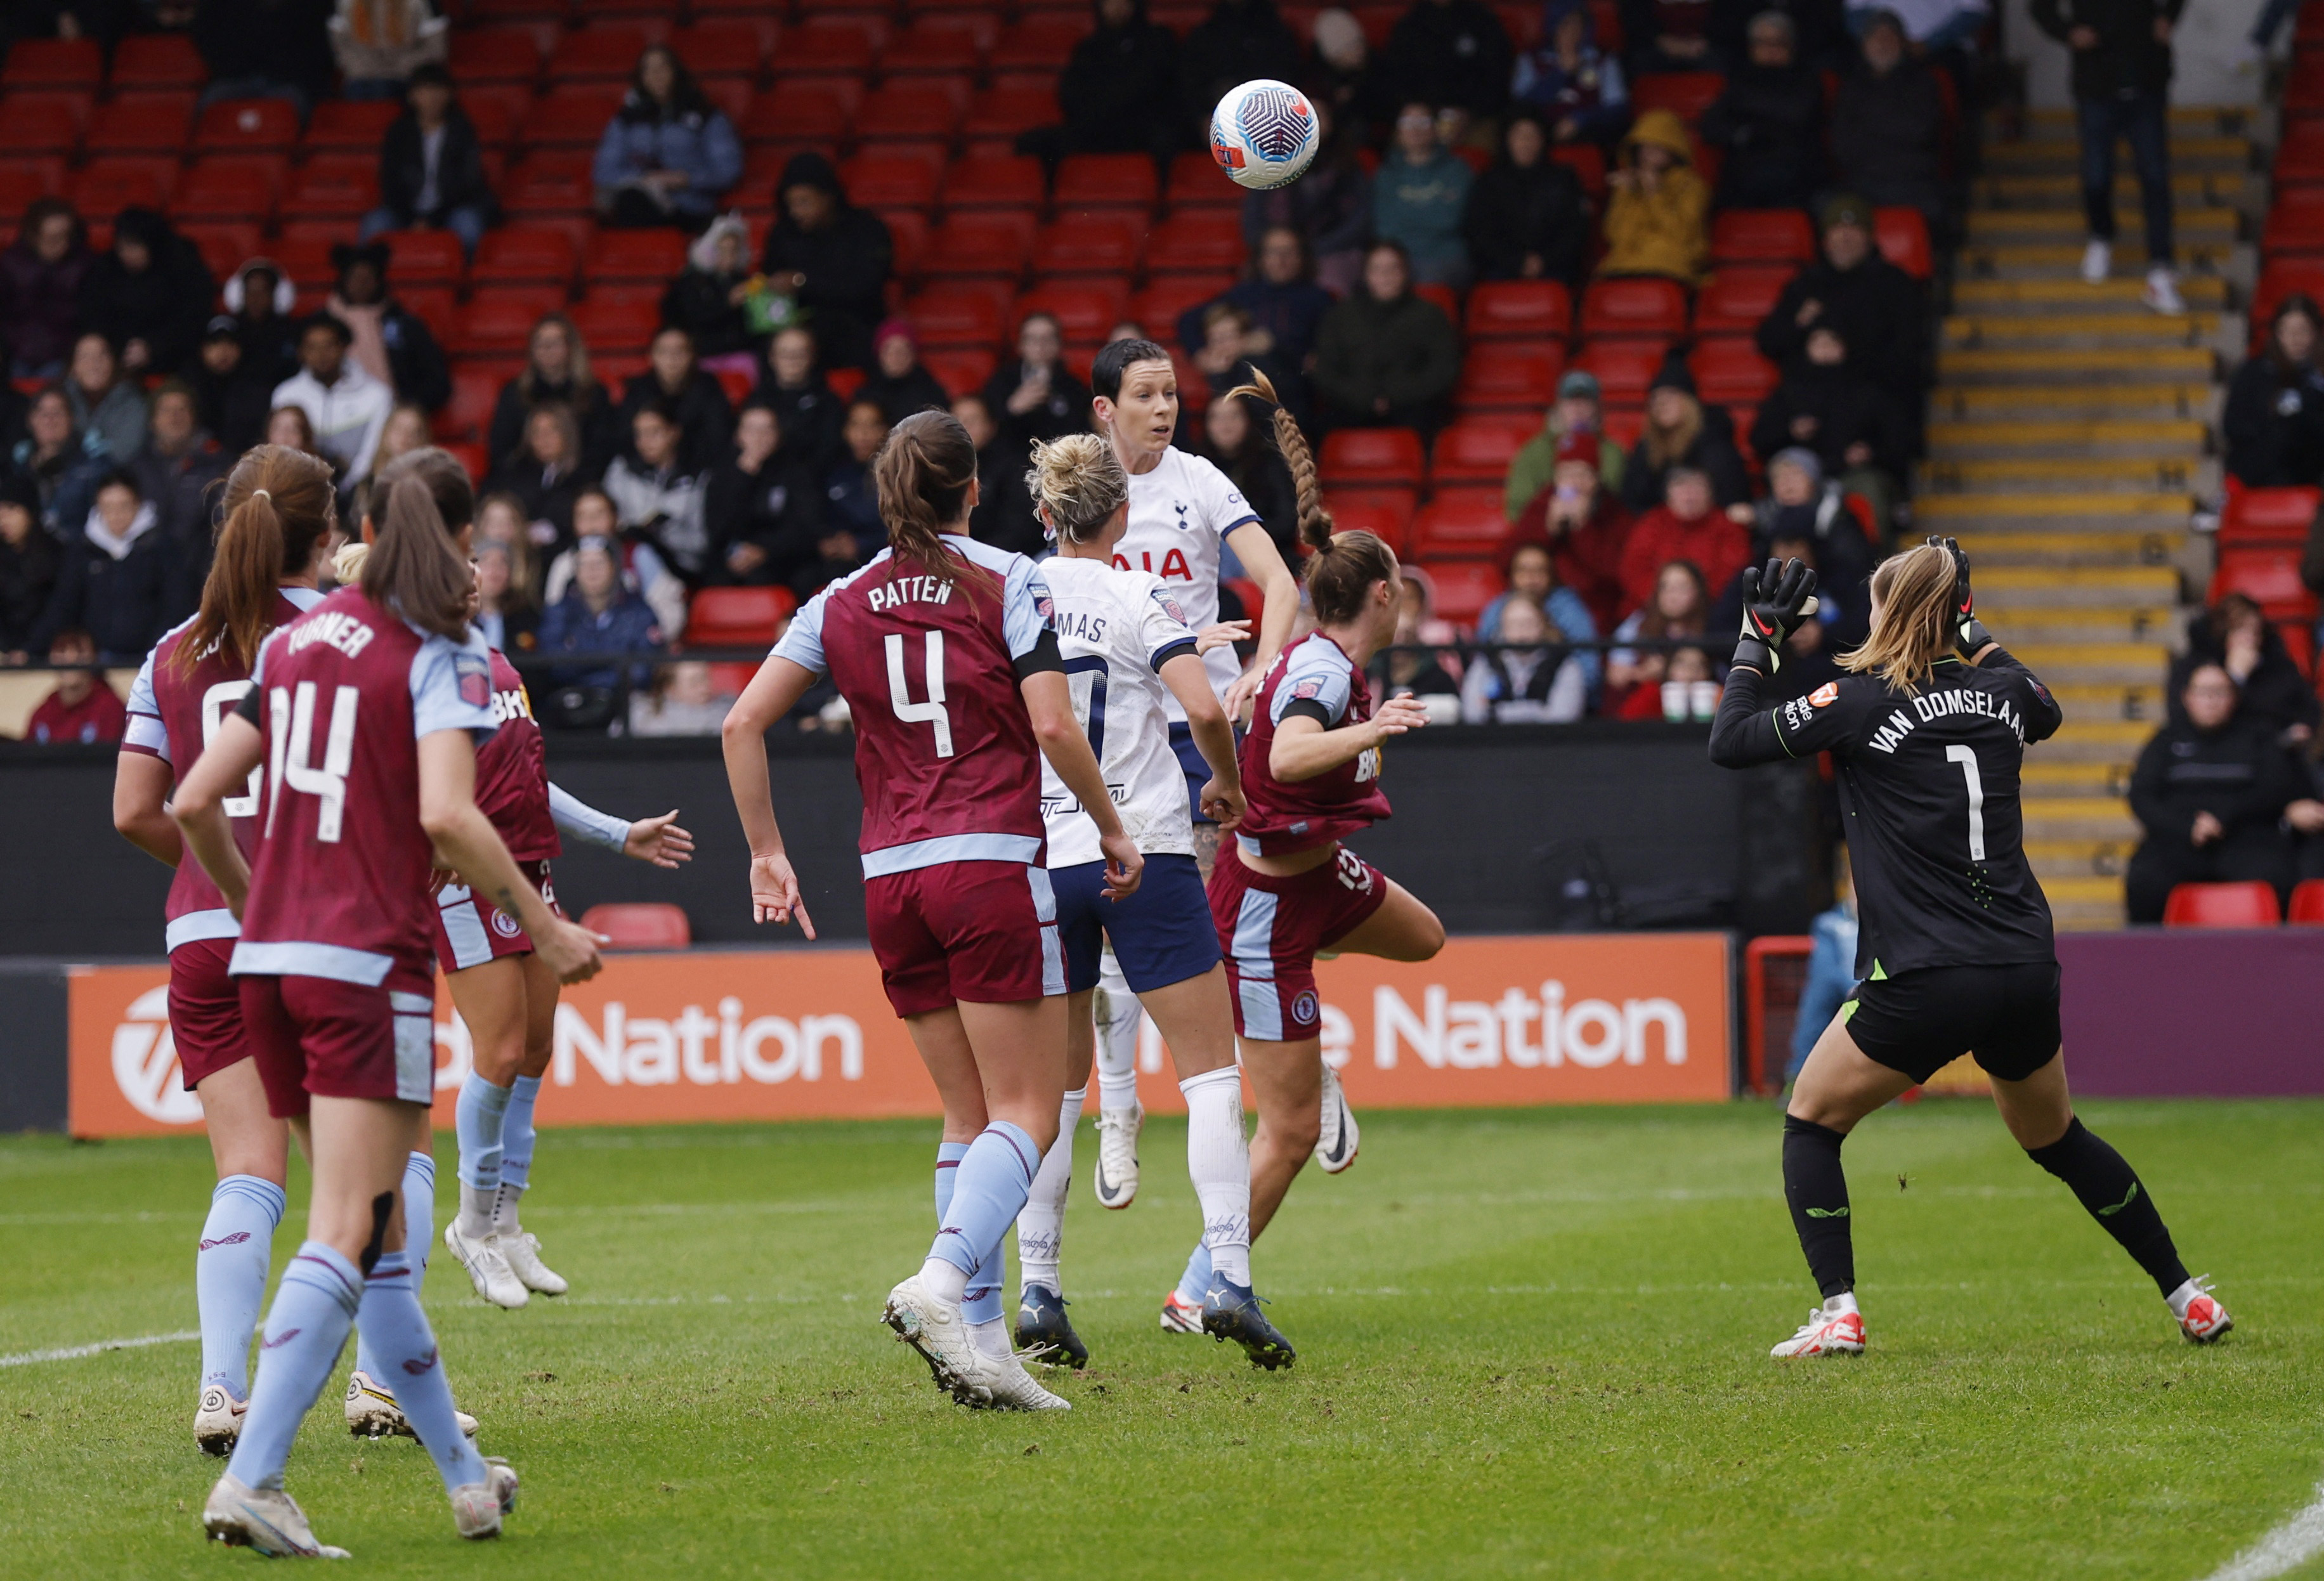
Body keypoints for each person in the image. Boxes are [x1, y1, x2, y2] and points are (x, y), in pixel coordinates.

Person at [171, 455, 604, 1556]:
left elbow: (189, 798)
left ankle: (464, 1475)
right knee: (350, 1225)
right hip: (362, 962)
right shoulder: (439, 656)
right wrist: (543, 924)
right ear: (459, 540)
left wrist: (246, 891)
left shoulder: (295, 643)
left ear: (361, 529)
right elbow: (451, 815)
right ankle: (256, 1476)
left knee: (378, 1233)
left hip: (265, 960)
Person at [1709, 540, 2233, 1358]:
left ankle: (1839, 1310)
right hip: (2022, 967)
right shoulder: (2004, 692)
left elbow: (1730, 739)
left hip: (1925, 971)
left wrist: (1757, 640)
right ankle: (2185, 1296)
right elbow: (2046, 705)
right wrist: (1974, 627)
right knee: (2057, 1139)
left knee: (1810, 1123)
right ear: (1952, 615)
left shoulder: (1857, 700)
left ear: (1885, 613)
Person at [720, 408, 1144, 1412]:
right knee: (1031, 1116)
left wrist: (768, 853)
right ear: (973, 490)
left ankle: (984, 1348)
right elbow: (1049, 720)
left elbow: (741, 722)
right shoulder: (1011, 578)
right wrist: (1111, 824)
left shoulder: (837, 599)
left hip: (891, 879)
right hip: (989, 864)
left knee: (969, 1116)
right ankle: (942, 1282)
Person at [354, 457, 691, 1320]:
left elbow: (528, 783)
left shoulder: (498, 666)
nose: (475, 576)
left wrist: (619, 834)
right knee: (498, 1051)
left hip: (531, 871)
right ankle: (471, 1223)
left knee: (536, 1051)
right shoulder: (423, 665)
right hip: (469, 880)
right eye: (463, 567)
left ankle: (505, 1221)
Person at [1005, 431, 1294, 1371]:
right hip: (1146, 847)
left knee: (1047, 1092)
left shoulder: (1015, 592)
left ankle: (1040, 1292)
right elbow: (1206, 708)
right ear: (1122, 514)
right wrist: (1228, 785)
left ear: (1047, 514)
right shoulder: (1139, 593)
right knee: (1210, 1075)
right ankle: (1229, 1279)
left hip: (1046, 853)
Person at [1186, 414, 1447, 1325]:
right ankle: (1200, 1285)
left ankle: (1307, 1036)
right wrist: (1373, 730)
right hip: (1264, 906)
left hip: (1314, 875)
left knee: (1424, 939)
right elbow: (1296, 755)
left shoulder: (1313, 655)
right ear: (1384, 594)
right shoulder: (1327, 679)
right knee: (1291, 1132)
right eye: (1401, 588)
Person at [112, 445, 334, 1455]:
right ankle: (386, 1384)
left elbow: (132, 811)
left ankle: (218, 1385)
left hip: (203, 931)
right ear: (322, 533)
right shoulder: (342, 636)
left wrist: (217, 866)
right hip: (322, 932)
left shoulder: (171, 651)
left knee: (247, 1171)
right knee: (366, 1179)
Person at [1078, 349, 1303, 1203]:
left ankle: (1304, 1084)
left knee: (1228, 919)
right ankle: (1121, 1110)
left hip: (1197, 729)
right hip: (1113, 736)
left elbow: (1278, 581)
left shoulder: (1200, 481)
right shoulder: (1079, 489)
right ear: (1107, 407)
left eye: (1171, 393)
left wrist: (1263, 668)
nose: (1165, 407)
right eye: (1146, 395)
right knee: (1111, 927)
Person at [2031, 0, 2184, 315]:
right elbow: (2040, 8)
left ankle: (2161, 268)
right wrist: (2068, 32)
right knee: (2097, 176)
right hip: (2097, 84)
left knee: (2156, 178)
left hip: (2146, 81)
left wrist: (2169, 16)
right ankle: (2101, 235)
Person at [2125, 661, 2303, 920]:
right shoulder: (2165, 741)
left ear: (2234, 698)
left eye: (2219, 692)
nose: (2211, 700)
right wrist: (2188, 826)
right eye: (2203, 692)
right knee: (2144, 881)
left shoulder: (2257, 737)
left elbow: (2275, 788)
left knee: (2281, 878)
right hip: (2179, 843)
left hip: (2246, 840)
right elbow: (2142, 796)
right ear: (2187, 697)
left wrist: (2223, 817)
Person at [1758, 195, 1929, 416]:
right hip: (1810, 411)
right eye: (1837, 229)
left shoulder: (1895, 284)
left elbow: (1908, 353)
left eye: (1854, 228)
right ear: (1825, 239)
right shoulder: (1807, 284)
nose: (1845, 237)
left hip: (1873, 411)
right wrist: (1798, 325)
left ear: (1869, 237)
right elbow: (1768, 341)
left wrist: (1848, 352)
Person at [1751, 322, 1909, 530]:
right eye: (1818, 343)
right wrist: (1791, 432)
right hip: (1803, 472)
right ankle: (1780, 554)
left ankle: (1879, 559)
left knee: (1869, 487)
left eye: (1832, 342)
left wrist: (1870, 453)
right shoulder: (1789, 392)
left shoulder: (1867, 392)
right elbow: (1759, 440)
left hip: (1852, 473)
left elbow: (1897, 441)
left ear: (1844, 348)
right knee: (1788, 480)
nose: (1825, 349)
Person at [757, 152, 894, 372]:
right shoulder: (783, 234)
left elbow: (866, 286)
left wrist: (803, 282)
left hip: (856, 325)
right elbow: (770, 280)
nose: (796, 212)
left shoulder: (867, 229)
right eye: (790, 204)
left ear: (828, 197)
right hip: (797, 330)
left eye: (804, 202)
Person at [1312, 242, 1461, 434]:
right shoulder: (1341, 316)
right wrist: (1364, 398)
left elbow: (1444, 369)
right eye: (1377, 269)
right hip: (1351, 408)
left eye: (1393, 268)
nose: (1385, 276)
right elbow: (1325, 369)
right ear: (1366, 275)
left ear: (1406, 272)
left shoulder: (1430, 315)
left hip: (1413, 408)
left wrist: (1395, 396)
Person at [591, 44, 743, 232]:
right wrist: (645, 180)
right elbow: (604, 172)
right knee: (629, 202)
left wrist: (685, 180)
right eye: (648, 69)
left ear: (676, 72)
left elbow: (727, 170)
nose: (656, 75)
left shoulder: (706, 114)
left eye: (662, 67)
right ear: (641, 77)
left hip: (692, 207)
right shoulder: (627, 119)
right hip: (641, 201)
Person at [32, 468, 176, 663]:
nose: (116, 515)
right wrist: (31, 650)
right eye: (107, 507)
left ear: (138, 505)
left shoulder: (162, 547)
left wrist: (155, 655)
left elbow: (174, 606)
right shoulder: (83, 550)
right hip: (94, 666)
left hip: (150, 662)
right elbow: (64, 606)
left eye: (124, 506)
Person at [1020, 0, 1182, 172]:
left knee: (1171, 141)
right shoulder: (1089, 48)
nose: (1117, 7)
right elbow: (1070, 93)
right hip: (1097, 128)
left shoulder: (1158, 40)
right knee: (1032, 142)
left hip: (1141, 129)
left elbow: (1157, 87)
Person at [1176, 227, 1336, 394]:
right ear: (1261, 258)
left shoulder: (1319, 299)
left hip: (1293, 383)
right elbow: (1188, 320)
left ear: (1301, 257)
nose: (1281, 259)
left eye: (1289, 251)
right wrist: (1201, 355)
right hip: (1241, 381)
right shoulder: (1245, 294)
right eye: (1273, 252)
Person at [362, 62, 497, 258]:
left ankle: (462, 282)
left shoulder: (462, 131)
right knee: (374, 225)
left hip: (450, 211)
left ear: (449, 95)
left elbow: (468, 184)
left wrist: (431, 221)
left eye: (438, 89)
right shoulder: (399, 132)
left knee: (469, 226)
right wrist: (412, 218)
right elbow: (389, 182)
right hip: (405, 211)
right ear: (412, 96)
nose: (432, 97)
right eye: (425, 90)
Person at [1831, 10, 1949, 232]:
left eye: (1889, 38)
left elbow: (1921, 132)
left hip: (1912, 180)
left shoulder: (1923, 83)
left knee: (1934, 211)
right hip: (1862, 181)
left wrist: (1870, 127)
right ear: (1864, 44)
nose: (1883, 44)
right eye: (1876, 38)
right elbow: (1843, 145)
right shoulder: (1851, 87)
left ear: (1902, 44)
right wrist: (1891, 126)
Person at [1243, 103, 1373, 297]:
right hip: (1279, 248)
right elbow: (1253, 221)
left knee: (1330, 286)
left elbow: (1359, 221)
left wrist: (1313, 250)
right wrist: (1274, 249)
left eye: (1318, 115)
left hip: (1332, 251)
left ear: (1331, 123)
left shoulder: (1349, 165)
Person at [1700, 11, 1824, 211]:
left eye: (1778, 43)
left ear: (1791, 47)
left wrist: (1749, 119)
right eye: (1763, 43)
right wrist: (1744, 134)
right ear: (1751, 48)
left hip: (1795, 174)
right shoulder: (1741, 79)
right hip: (1745, 175)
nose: (1771, 50)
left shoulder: (1807, 79)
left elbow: (1796, 114)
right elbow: (1711, 125)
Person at [1515, 426, 1634, 632]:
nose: (1574, 483)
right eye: (1567, 474)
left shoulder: (1614, 512)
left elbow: (1617, 573)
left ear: (1596, 478)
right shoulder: (1543, 504)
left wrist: (1583, 529)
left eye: (1582, 474)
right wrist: (1548, 529)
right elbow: (1506, 560)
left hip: (1596, 611)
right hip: (1541, 605)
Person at [77, 207, 214, 380]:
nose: (126, 254)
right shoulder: (105, 270)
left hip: (176, 358)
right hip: (118, 359)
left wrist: (153, 347)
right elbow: (94, 317)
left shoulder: (184, 268)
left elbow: (193, 319)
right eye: (121, 246)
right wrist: (119, 350)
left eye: (134, 246)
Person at [128, 381, 232, 603]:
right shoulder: (136, 468)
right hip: (146, 584)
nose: (175, 417)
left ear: (194, 417)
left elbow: (222, 529)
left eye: (182, 410)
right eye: (166, 410)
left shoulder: (216, 465)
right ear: (153, 420)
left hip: (199, 583)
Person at [2168, 593, 2320, 741]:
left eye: (2256, 632)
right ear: (2222, 633)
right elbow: (2187, 719)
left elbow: (2307, 706)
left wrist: (2300, 728)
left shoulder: (2278, 665)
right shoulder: (2193, 668)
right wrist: (2235, 678)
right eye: (2240, 631)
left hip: (2276, 751)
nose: (2250, 640)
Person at [271, 314, 396, 491]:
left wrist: (347, 490)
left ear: (344, 347)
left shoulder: (378, 395)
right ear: (301, 352)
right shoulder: (285, 395)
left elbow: (372, 455)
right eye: (312, 347)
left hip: (361, 493)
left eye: (329, 346)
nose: (321, 355)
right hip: (300, 492)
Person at [324, 242, 452, 416]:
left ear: (379, 281)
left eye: (368, 277)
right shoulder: (322, 324)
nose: (361, 284)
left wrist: (405, 406)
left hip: (393, 417)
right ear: (343, 280)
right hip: (333, 416)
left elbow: (437, 382)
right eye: (355, 277)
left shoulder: (406, 324)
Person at [707, 402, 823, 589]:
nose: (759, 437)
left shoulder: (796, 473)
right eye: (751, 430)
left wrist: (765, 550)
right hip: (732, 560)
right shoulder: (723, 475)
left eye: (767, 429)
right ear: (738, 436)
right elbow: (717, 530)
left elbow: (807, 528)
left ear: (778, 435)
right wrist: (743, 477)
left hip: (781, 560)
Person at [1747, 446, 1877, 612]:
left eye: (1795, 475)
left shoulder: (1839, 517)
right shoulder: (1764, 523)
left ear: (1814, 480)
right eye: (1779, 478)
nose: (1787, 485)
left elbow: (1858, 572)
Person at [1466, 114, 1589, 285]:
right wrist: (1516, 261)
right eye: (1519, 135)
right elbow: (1480, 231)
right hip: (1501, 267)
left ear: (1543, 140)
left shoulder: (1564, 178)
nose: (1526, 142)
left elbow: (1575, 229)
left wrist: (1544, 260)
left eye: (1532, 135)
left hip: (1556, 267)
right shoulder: (1489, 181)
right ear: (1507, 140)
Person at [603, 398, 712, 589]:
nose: (646, 442)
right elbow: (607, 522)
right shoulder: (622, 470)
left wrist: (664, 533)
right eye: (640, 434)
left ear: (674, 433)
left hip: (679, 569)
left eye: (655, 432)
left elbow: (703, 542)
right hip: (627, 565)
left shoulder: (698, 477)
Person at [488, 315, 617, 474]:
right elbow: (503, 450)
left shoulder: (594, 393)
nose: (547, 348)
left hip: (581, 481)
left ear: (571, 347)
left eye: (555, 342)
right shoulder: (514, 393)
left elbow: (602, 450)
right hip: (524, 481)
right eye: (540, 342)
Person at [537, 533, 667, 691]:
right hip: (570, 701)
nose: (591, 571)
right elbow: (554, 667)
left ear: (614, 567)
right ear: (575, 570)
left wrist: (590, 673)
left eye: (599, 563)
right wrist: (613, 666)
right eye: (583, 564)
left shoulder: (639, 610)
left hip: (626, 702)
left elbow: (644, 670)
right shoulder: (558, 612)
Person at [1620, 465, 1751, 620]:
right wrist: (1667, 602)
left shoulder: (1728, 528)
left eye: (1698, 487)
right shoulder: (1651, 524)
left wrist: (1692, 602)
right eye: (1681, 486)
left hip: (1710, 614)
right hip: (1650, 612)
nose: (1689, 495)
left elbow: (1734, 576)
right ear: (1668, 494)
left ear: (1711, 493)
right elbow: (1633, 571)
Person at [1621, 359, 1751, 513]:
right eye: (1655, 399)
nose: (1661, 404)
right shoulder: (1647, 447)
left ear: (1689, 402)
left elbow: (1733, 502)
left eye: (1671, 395)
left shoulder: (1715, 445)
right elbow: (1632, 499)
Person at [1597, 107, 1710, 284]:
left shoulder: (1692, 186)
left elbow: (1681, 235)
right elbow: (1616, 236)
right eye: (1644, 147)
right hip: (1625, 264)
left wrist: (1654, 193)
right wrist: (1625, 195)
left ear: (1674, 148)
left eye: (1658, 146)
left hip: (1670, 262)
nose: (1649, 154)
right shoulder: (1629, 184)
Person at [2225, 295, 2324, 490]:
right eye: (2288, 330)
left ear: (2316, 333)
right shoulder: (2252, 372)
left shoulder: (2319, 377)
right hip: (2261, 468)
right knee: (2282, 432)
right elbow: (2233, 426)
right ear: (2277, 333)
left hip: (2312, 468)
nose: (2296, 338)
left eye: (2303, 330)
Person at [1371, 104, 1475, 289]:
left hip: (1443, 255)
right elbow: (1385, 227)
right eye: (1408, 122)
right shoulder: (1385, 174)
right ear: (1398, 131)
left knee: (1428, 278)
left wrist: (1408, 218)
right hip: (1397, 256)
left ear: (1435, 129)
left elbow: (1450, 220)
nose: (1415, 129)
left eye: (1423, 122)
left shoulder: (1458, 170)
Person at [1480, 536, 1602, 693]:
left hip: (1561, 700)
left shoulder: (1569, 609)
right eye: (1523, 570)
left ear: (1551, 575)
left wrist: (1564, 695)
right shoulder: (1497, 608)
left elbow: (1588, 667)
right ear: (1512, 575)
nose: (1531, 578)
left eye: (1539, 570)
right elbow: (1484, 659)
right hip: (1505, 699)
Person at [1177, 0, 1304, 148]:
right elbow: (1189, 86)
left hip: (1270, 122)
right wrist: (1202, 118)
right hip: (1215, 121)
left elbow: (1289, 85)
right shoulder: (1205, 36)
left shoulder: (1278, 35)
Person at [1506, 370, 1625, 517]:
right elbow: (1517, 508)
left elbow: (1619, 506)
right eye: (1571, 401)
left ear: (1597, 408)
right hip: (1545, 535)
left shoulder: (1613, 454)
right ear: (1558, 406)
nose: (1577, 408)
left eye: (1585, 401)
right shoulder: (1534, 452)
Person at [617, 326, 734, 476]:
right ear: (651, 356)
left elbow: (718, 439)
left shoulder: (708, 388)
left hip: (697, 476)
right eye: (664, 351)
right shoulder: (638, 389)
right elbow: (624, 438)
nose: (672, 358)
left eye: (679, 351)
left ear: (692, 355)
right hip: (643, 476)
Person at [1511, 0, 1631, 145]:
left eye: (1578, 25)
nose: (1572, 31)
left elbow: (1617, 108)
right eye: (1565, 25)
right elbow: (1521, 106)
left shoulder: (1604, 60)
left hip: (1590, 132)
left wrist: (1580, 119)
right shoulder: (1530, 59)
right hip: (1542, 132)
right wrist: (1561, 73)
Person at [192, 0, 334, 120]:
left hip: (291, 82)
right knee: (210, 105)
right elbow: (207, 36)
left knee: (295, 105)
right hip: (234, 78)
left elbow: (321, 46)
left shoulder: (312, 5)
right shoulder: (222, 6)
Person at [661, 213, 772, 368]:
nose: (729, 256)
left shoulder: (745, 281)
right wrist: (728, 303)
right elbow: (690, 318)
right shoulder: (690, 282)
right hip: (702, 354)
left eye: (733, 250)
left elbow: (756, 326)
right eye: (722, 250)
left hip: (740, 353)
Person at [1201, 390, 1300, 558]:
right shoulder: (1196, 467)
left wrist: (1241, 537)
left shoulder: (1271, 463)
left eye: (1234, 416)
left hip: (1269, 554)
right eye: (1216, 417)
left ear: (1248, 420)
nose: (1226, 424)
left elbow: (1287, 521)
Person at [0, 198, 92, 379]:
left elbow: (90, 320)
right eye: (54, 239)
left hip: (63, 356)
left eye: (68, 236)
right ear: (33, 236)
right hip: (15, 355)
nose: (63, 245)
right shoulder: (9, 264)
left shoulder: (85, 265)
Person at [1605, 557, 1713, 713]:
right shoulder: (1638, 625)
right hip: (1650, 710)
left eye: (1682, 588)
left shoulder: (1712, 627)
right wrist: (1644, 673)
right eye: (1666, 587)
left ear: (1698, 591)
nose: (1673, 596)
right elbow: (1615, 675)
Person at [1460, 592, 1586, 722]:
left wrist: (1496, 712)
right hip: (1494, 740)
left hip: (1545, 741)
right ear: (1502, 627)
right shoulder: (1486, 662)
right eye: (1513, 624)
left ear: (1543, 624)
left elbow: (1562, 718)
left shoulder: (1564, 663)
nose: (1521, 631)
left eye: (1528, 623)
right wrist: (1538, 711)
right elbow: (1473, 714)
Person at [485, 402, 590, 554]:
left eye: (552, 430)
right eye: (537, 432)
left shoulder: (585, 476)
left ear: (568, 434)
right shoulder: (514, 472)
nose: (544, 438)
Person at [982, 313, 1092, 457]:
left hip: (1059, 462)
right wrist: (1012, 408)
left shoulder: (1073, 386)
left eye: (1048, 338)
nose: (1040, 345)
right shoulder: (1002, 380)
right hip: (1009, 464)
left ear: (1059, 344)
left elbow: (1080, 433)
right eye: (1032, 339)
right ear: (1021, 345)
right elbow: (986, 427)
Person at [1383, 0, 1514, 121]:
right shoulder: (1409, 24)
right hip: (1422, 118)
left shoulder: (1483, 20)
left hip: (1476, 117)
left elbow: (1498, 73)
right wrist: (1419, 111)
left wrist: (1473, 112)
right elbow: (1396, 77)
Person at [955, 393, 1043, 557]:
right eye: (956, 421)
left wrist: (976, 558)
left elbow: (1019, 529)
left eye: (972, 421)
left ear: (991, 425)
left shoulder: (1015, 465)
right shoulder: (942, 468)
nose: (964, 428)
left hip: (1011, 558)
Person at [11, 384, 107, 534]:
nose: (50, 420)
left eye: (58, 412)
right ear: (31, 420)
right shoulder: (17, 466)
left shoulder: (96, 465)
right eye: (43, 413)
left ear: (72, 419)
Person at [754, 325, 844, 476]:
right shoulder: (757, 400)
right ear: (772, 358)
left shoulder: (828, 401)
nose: (792, 360)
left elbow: (828, 451)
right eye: (785, 353)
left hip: (811, 482)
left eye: (800, 353)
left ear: (812, 357)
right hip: (763, 480)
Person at [186, 315, 276, 457]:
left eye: (230, 344)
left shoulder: (257, 390)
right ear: (203, 350)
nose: (223, 351)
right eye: (215, 343)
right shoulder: (189, 389)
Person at [329, 0, 447, 100]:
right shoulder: (345, 3)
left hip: (406, 76)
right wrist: (363, 67)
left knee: (386, 89)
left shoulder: (422, 3)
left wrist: (403, 65)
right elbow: (339, 47)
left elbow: (435, 49)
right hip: (361, 76)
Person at [23, 628, 126, 742]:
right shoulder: (43, 713)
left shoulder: (112, 708)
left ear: (95, 658)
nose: (70, 659)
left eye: (80, 651)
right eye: (61, 651)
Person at [66, 332, 150, 465]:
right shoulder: (60, 401)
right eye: (85, 357)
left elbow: (125, 455)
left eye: (102, 356)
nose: (94, 364)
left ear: (114, 364)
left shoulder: (132, 402)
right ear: (72, 368)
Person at [0, 474, 58, 660]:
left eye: (11, 509)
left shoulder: (56, 554)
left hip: (49, 657)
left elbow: (60, 609)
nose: (4, 519)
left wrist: (30, 650)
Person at [225, 259, 301, 397]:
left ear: (277, 295)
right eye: (250, 291)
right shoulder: (228, 331)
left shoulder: (292, 332)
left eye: (263, 291)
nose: (256, 298)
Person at [856, 320, 951, 429]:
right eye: (889, 350)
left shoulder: (932, 393)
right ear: (879, 354)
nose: (896, 356)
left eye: (903, 350)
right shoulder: (865, 394)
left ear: (913, 355)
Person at [471, 533, 539, 654]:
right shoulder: (458, 619)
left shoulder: (526, 618)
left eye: (502, 563)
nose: (494, 569)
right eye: (486, 561)